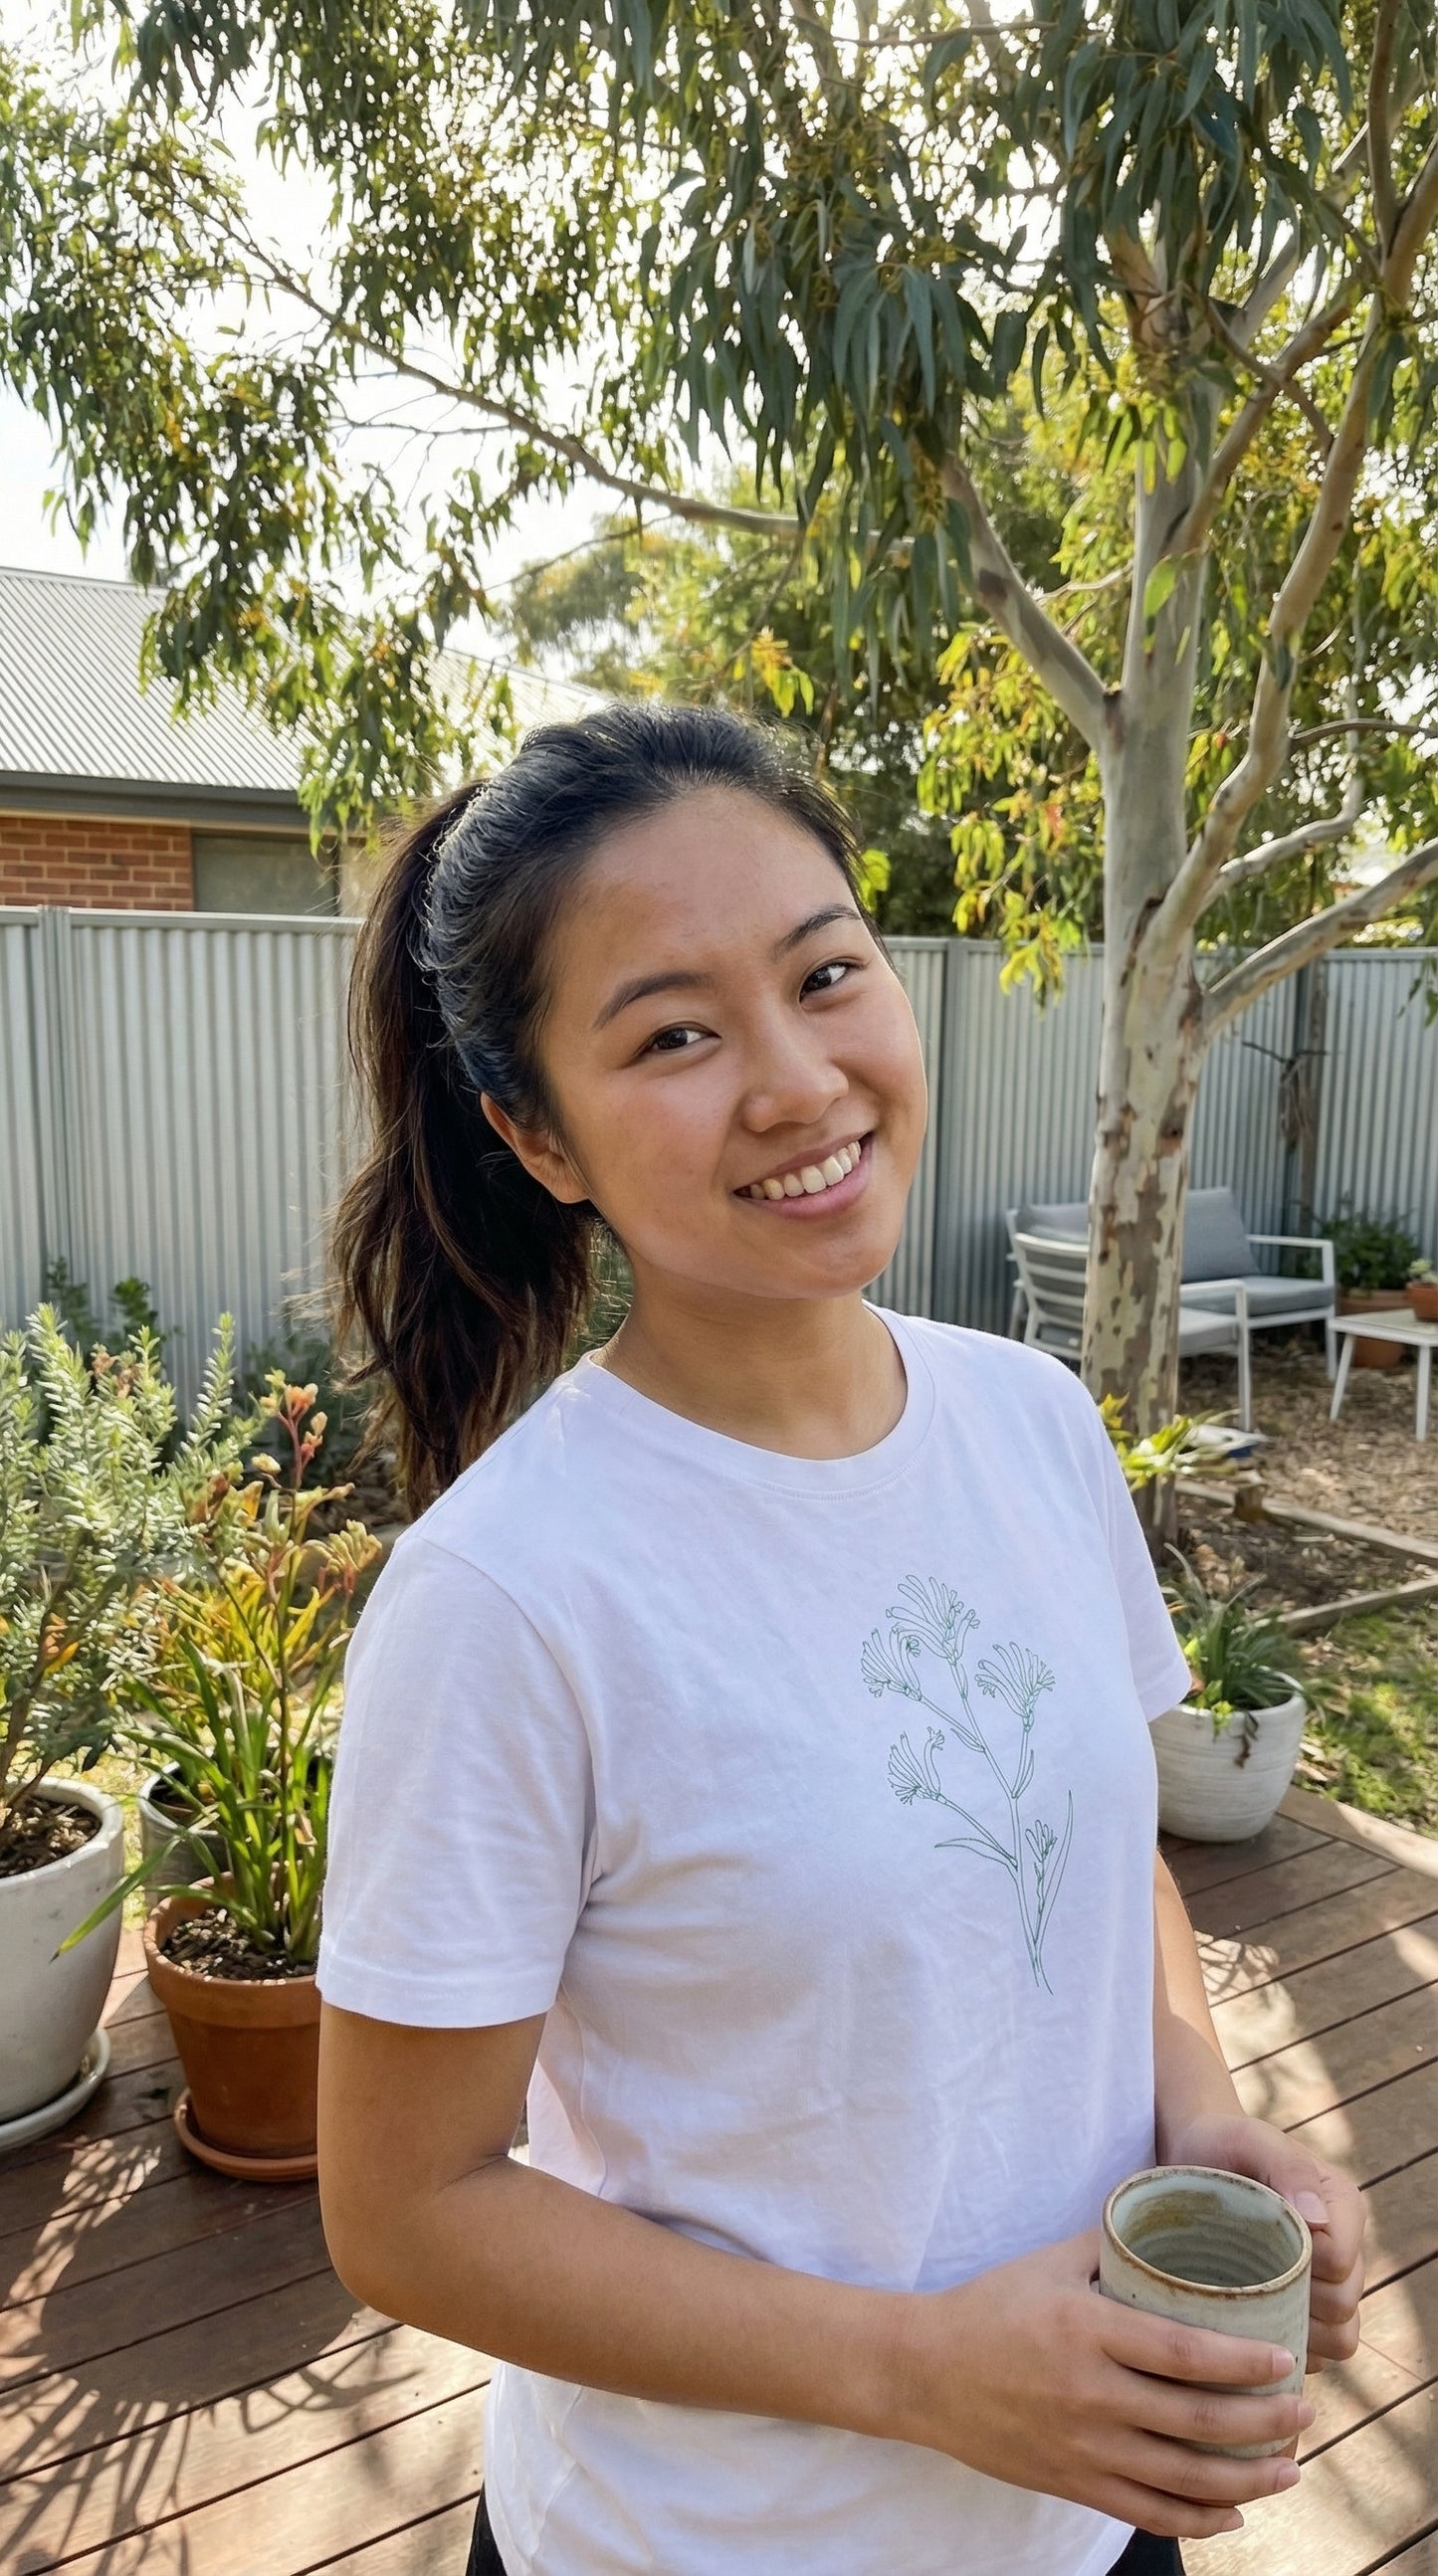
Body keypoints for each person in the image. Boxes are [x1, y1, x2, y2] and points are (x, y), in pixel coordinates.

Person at [315, 703, 1363, 2576]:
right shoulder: (504, 1598)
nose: (796, 1078)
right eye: (675, 1034)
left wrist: (1206, 2113)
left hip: (1078, 2506)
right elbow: (406, 2213)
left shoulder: (1032, 1421)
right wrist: (920, 2371)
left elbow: (1097, 1854)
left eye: (825, 972)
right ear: (532, 1134)